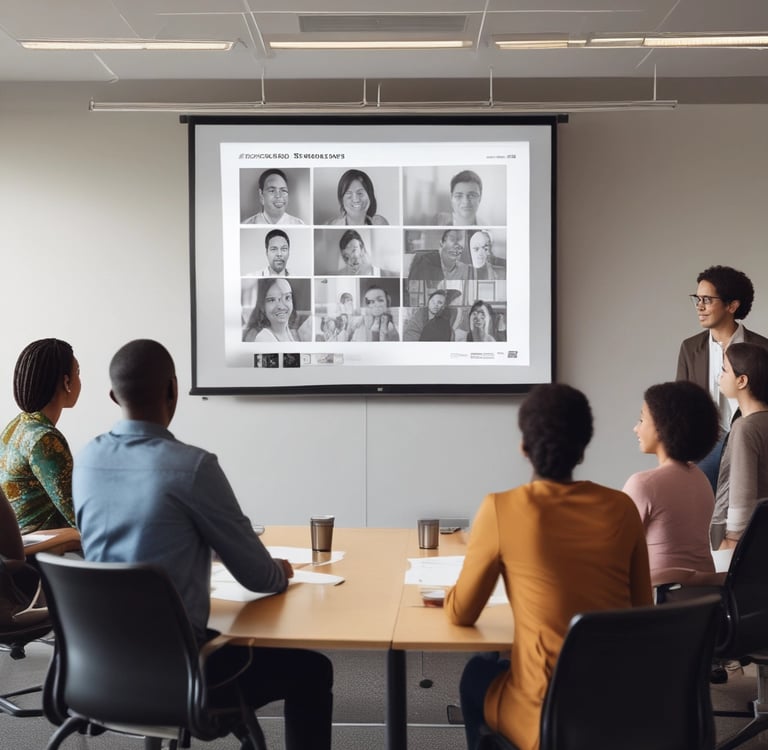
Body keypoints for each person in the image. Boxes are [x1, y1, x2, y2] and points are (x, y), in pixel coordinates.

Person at [73, 339, 333, 750]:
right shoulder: (192, 467)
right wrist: (279, 570)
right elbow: (259, 577)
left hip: (95, 672)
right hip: (185, 678)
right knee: (313, 671)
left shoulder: (87, 461)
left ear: (112, 396)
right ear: (173, 389)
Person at [446, 383, 652, 750]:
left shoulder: (501, 508)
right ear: (584, 447)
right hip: (622, 710)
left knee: (477, 673)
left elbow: (462, 613)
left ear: (524, 448)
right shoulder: (622, 508)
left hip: (546, 717)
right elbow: (642, 613)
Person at [676, 265, 768, 490]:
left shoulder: (761, 348)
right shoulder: (690, 348)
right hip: (703, 449)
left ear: (732, 305)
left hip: (750, 444)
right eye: (697, 299)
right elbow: (680, 406)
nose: (699, 306)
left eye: (707, 299)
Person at [622, 381, 719, 581]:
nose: (635, 428)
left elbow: (615, 552)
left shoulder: (643, 484)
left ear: (661, 426)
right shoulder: (700, 479)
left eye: (641, 420)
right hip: (703, 602)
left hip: (658, 601)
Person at [0, 339, 80, 532]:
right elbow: (79, 516)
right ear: (66, 382)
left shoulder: (17, 426)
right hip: (38, 555)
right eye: (77, 373)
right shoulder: (44, 440)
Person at [712, 342, 768, 550]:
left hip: (745, 542)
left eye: (725, 370)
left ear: (742, 380)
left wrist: (733, 538)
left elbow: (741, 491)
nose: (721, 377)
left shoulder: (745, 427)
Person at [242, 278, 298, 342]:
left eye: (287, 297)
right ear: (262, 306)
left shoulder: (293, 333)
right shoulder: (263, 337)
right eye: (272, 300)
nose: (281, 306)